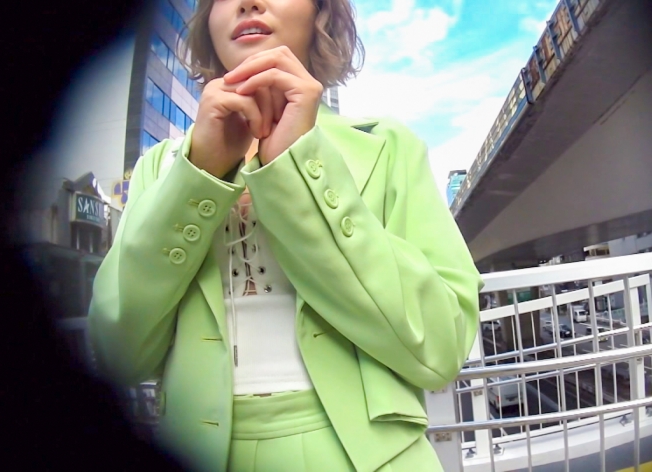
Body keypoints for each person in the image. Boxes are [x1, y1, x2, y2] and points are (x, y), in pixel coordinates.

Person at [86, 0, 484, 471]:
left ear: (321, 14)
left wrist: (298, 166)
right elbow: (117, 357)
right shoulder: (161, 166)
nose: (248, 3)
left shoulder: (388, 146)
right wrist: (199, 173)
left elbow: (441, 348)